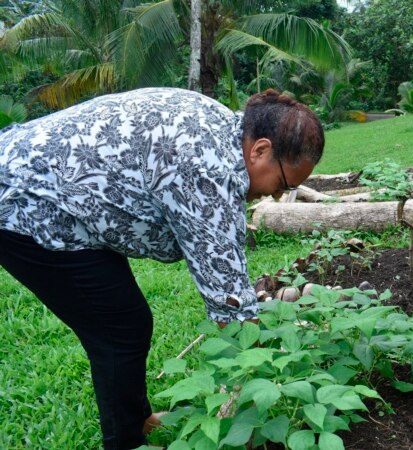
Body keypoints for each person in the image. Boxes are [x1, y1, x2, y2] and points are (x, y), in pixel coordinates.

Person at [0, 87, 324, 449]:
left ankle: (137, 421)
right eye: (283, 183)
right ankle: (127, 441)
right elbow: (230, 310)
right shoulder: (205, 169)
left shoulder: (224, 129)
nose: (279, 195)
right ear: (260, 149)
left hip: (64, 194)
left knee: (126, 321)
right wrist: (253, 408)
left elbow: (225, 263)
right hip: (29, 203)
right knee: (119, 328)